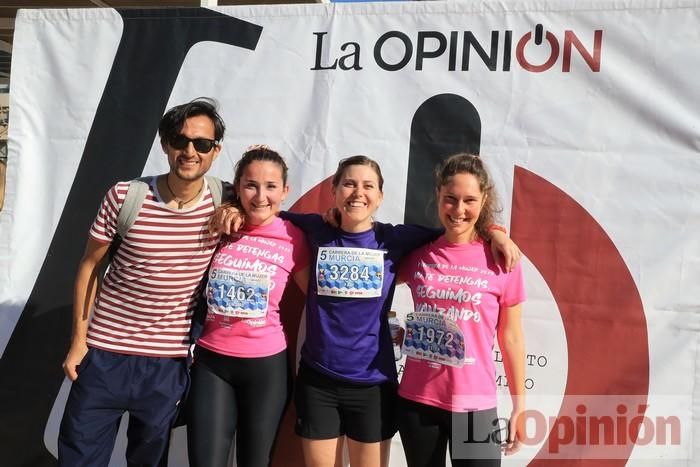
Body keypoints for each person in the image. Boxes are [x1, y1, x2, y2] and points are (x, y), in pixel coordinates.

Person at [211, 154, 520, 467]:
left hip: (380, 386)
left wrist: (495, 231)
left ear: (380, 196)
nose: (358, 192)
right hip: (323, 382)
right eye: (349, 184)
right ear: (334, 190)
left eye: (368, 185)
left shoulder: (399, 241)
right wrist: (234, 206)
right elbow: (268, 211)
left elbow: (457, 232)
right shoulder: (317, 229)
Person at [58, 98, 226, 467]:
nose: (189, 151)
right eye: (179, 141)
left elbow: (268, 201)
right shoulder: (125, 196)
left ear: (216, 150)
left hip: (166, 364)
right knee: (79, 459)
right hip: (103, 355)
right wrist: (78, 342)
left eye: (201, 144)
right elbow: (89, 267)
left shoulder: (223, 200)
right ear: (165, 144)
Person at [397, 153, 526, 467]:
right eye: (450, 199)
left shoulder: (502, 259)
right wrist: (395, 333)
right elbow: (372, 296)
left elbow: (511, 337)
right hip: (417, 400)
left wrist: (520, 406)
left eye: (469, 200)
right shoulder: (417, 254)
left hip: (475, 404)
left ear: (484, 200)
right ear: (438, 196)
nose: (458, 210)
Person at [186, 146, 309, 467]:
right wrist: (226, 206)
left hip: (266, 369)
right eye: (251, 185)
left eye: (270, 187)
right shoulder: (220, 226)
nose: (260, 196)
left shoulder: (294, 237)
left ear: (285, 191)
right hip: (212, 364)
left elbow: (322, 302)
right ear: (237, 187)